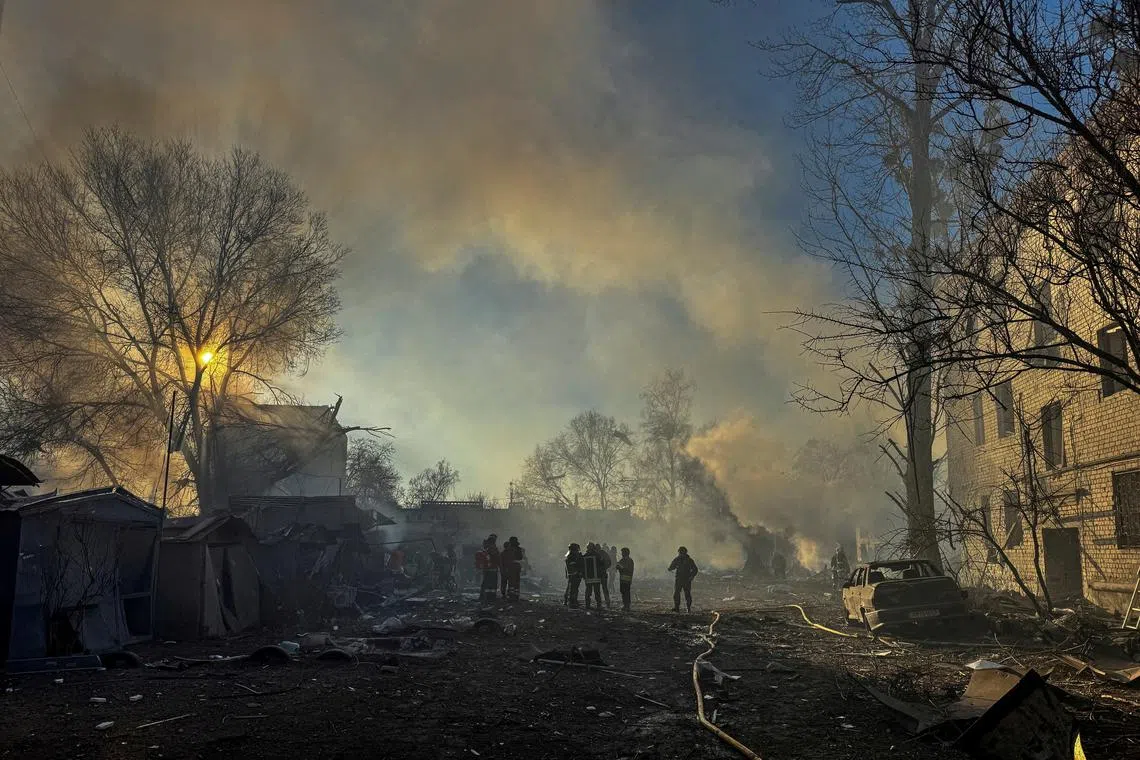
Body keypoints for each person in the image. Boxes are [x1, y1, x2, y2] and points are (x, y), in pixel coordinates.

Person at [668, 546, 699, 613]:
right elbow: (671, 567)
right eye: (680, 552)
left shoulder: (688, 560)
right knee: (678, 594)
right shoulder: (678, 559)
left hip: (685, 579)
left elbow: (695, 570)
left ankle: (687, 608)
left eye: (681, 552)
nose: (680, 554)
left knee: (685, 594)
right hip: (681, 579)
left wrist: (691, 576)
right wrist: (672, 568)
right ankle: (678, 608)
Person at [478, 534, 500, 604]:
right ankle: (490, 597)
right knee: (492, 584)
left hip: (487, 569)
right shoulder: (492, 548)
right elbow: (495, 558)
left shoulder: (486, 548)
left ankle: (484, 596)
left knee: (485, 583)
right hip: (492, 569)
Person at [501, 536, 524, 601]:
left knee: (511, 582)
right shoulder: (519, 549)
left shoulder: (509, 549)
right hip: (517, 567)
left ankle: (511, 595)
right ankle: (516, 596)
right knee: (517, 582)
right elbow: (520, 558)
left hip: (511, 567)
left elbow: (507, 558)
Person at [583, 543, 604, 609]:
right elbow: (602, 565)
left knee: (588, 592)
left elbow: (582, 567)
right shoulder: (597, 555)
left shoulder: (585, 556)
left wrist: (584, 576)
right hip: (596, 578)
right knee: (597, 592)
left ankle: (588, 605)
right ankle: (598, 605)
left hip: (588, 578)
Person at [564, 543, 583, 608]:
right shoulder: (572, 556)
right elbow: (575, 565)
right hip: (574, 574)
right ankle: (572, 601)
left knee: (571, 588)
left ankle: (570, 600)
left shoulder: (569, 555)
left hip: (572, 574)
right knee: (573, 589)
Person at [615, 547, 634, 612]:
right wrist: (618, 566)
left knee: (626, 592)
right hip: (622, 579)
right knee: (623, 592)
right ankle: (625, 605)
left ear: (626, 553)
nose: (622, 554)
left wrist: (621, 568)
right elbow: (618, 567)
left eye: (623, 552)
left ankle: (627, 605)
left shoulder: (629, 560)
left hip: (627, 579)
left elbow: (629, 570)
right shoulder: (622, 560)